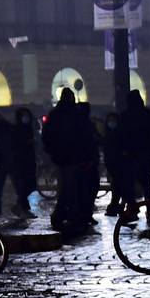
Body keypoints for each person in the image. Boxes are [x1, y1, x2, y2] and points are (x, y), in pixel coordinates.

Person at [42, 89, 96, 235]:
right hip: (75, 158)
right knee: (73, 187)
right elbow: (86, 137)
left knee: (64, 187)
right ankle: (73, 215)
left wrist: (51, 152)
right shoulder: (77, 114)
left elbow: (46, 136)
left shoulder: (55, 114)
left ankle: (61, 214)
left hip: (61, 158)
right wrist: (88, 157)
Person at [113, 90, 150, 221]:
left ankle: (132, 210)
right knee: (147, 183)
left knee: (129, 184)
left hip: (130, 156)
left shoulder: (125, 116)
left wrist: (122, 151)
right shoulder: (149, 115)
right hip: (145, 154)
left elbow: (118, 136)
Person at [6, 107, 39, 219]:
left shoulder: (29, 129)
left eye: (27, 115)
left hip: (28, 163)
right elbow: (14, 146)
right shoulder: (15, 130)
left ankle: (20, 207)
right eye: (24, 115)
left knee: (29, 187)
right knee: (22, 187)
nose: (26, 118)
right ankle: (23, 209)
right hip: (18, 164)